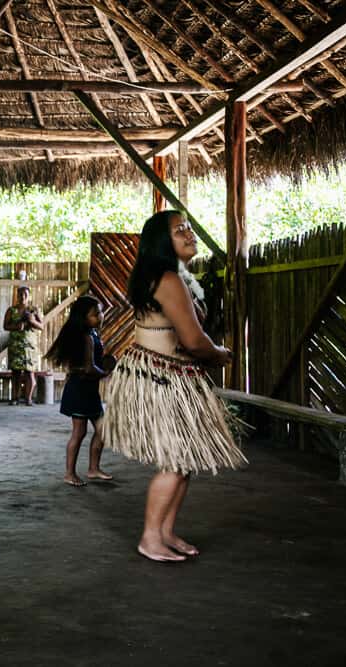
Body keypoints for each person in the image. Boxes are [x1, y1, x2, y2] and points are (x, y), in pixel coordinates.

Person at [103, 210, 247, 563]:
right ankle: (150, 538)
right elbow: (194, 341)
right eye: (179, 229)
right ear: (161, 242)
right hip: (163, 378)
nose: (189, 233)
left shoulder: (169, 276)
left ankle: (165, 533)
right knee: (174, 461)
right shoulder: (168, 279)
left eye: (189, 227)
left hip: (168, 375)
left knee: (182, 461)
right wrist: (220, 354)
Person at [45, 295, 113, 486]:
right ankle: (69, 473)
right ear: (83, 318)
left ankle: (93, 469)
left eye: (100, 312)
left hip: (89, 391)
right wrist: (107, 373)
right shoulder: (86, 338)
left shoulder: (93, 334)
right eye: (95, 314)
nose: (100, 316)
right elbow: (90, 368)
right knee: (79, 432)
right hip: (80, 390)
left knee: (102, 430)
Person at [3, 286, 44, 405]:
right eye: (20, 294)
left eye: (25, 295)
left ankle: (28, 398)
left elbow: (41, 326)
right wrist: (16, 326)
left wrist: (32, 321)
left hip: (29, 347)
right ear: (17, 296)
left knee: (29, 373)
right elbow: (5, 326)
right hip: (15, 345)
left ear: (29, 296)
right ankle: (15, 398)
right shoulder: (11, 310)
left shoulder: (33, 310)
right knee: (15, 373)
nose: (23, 297)